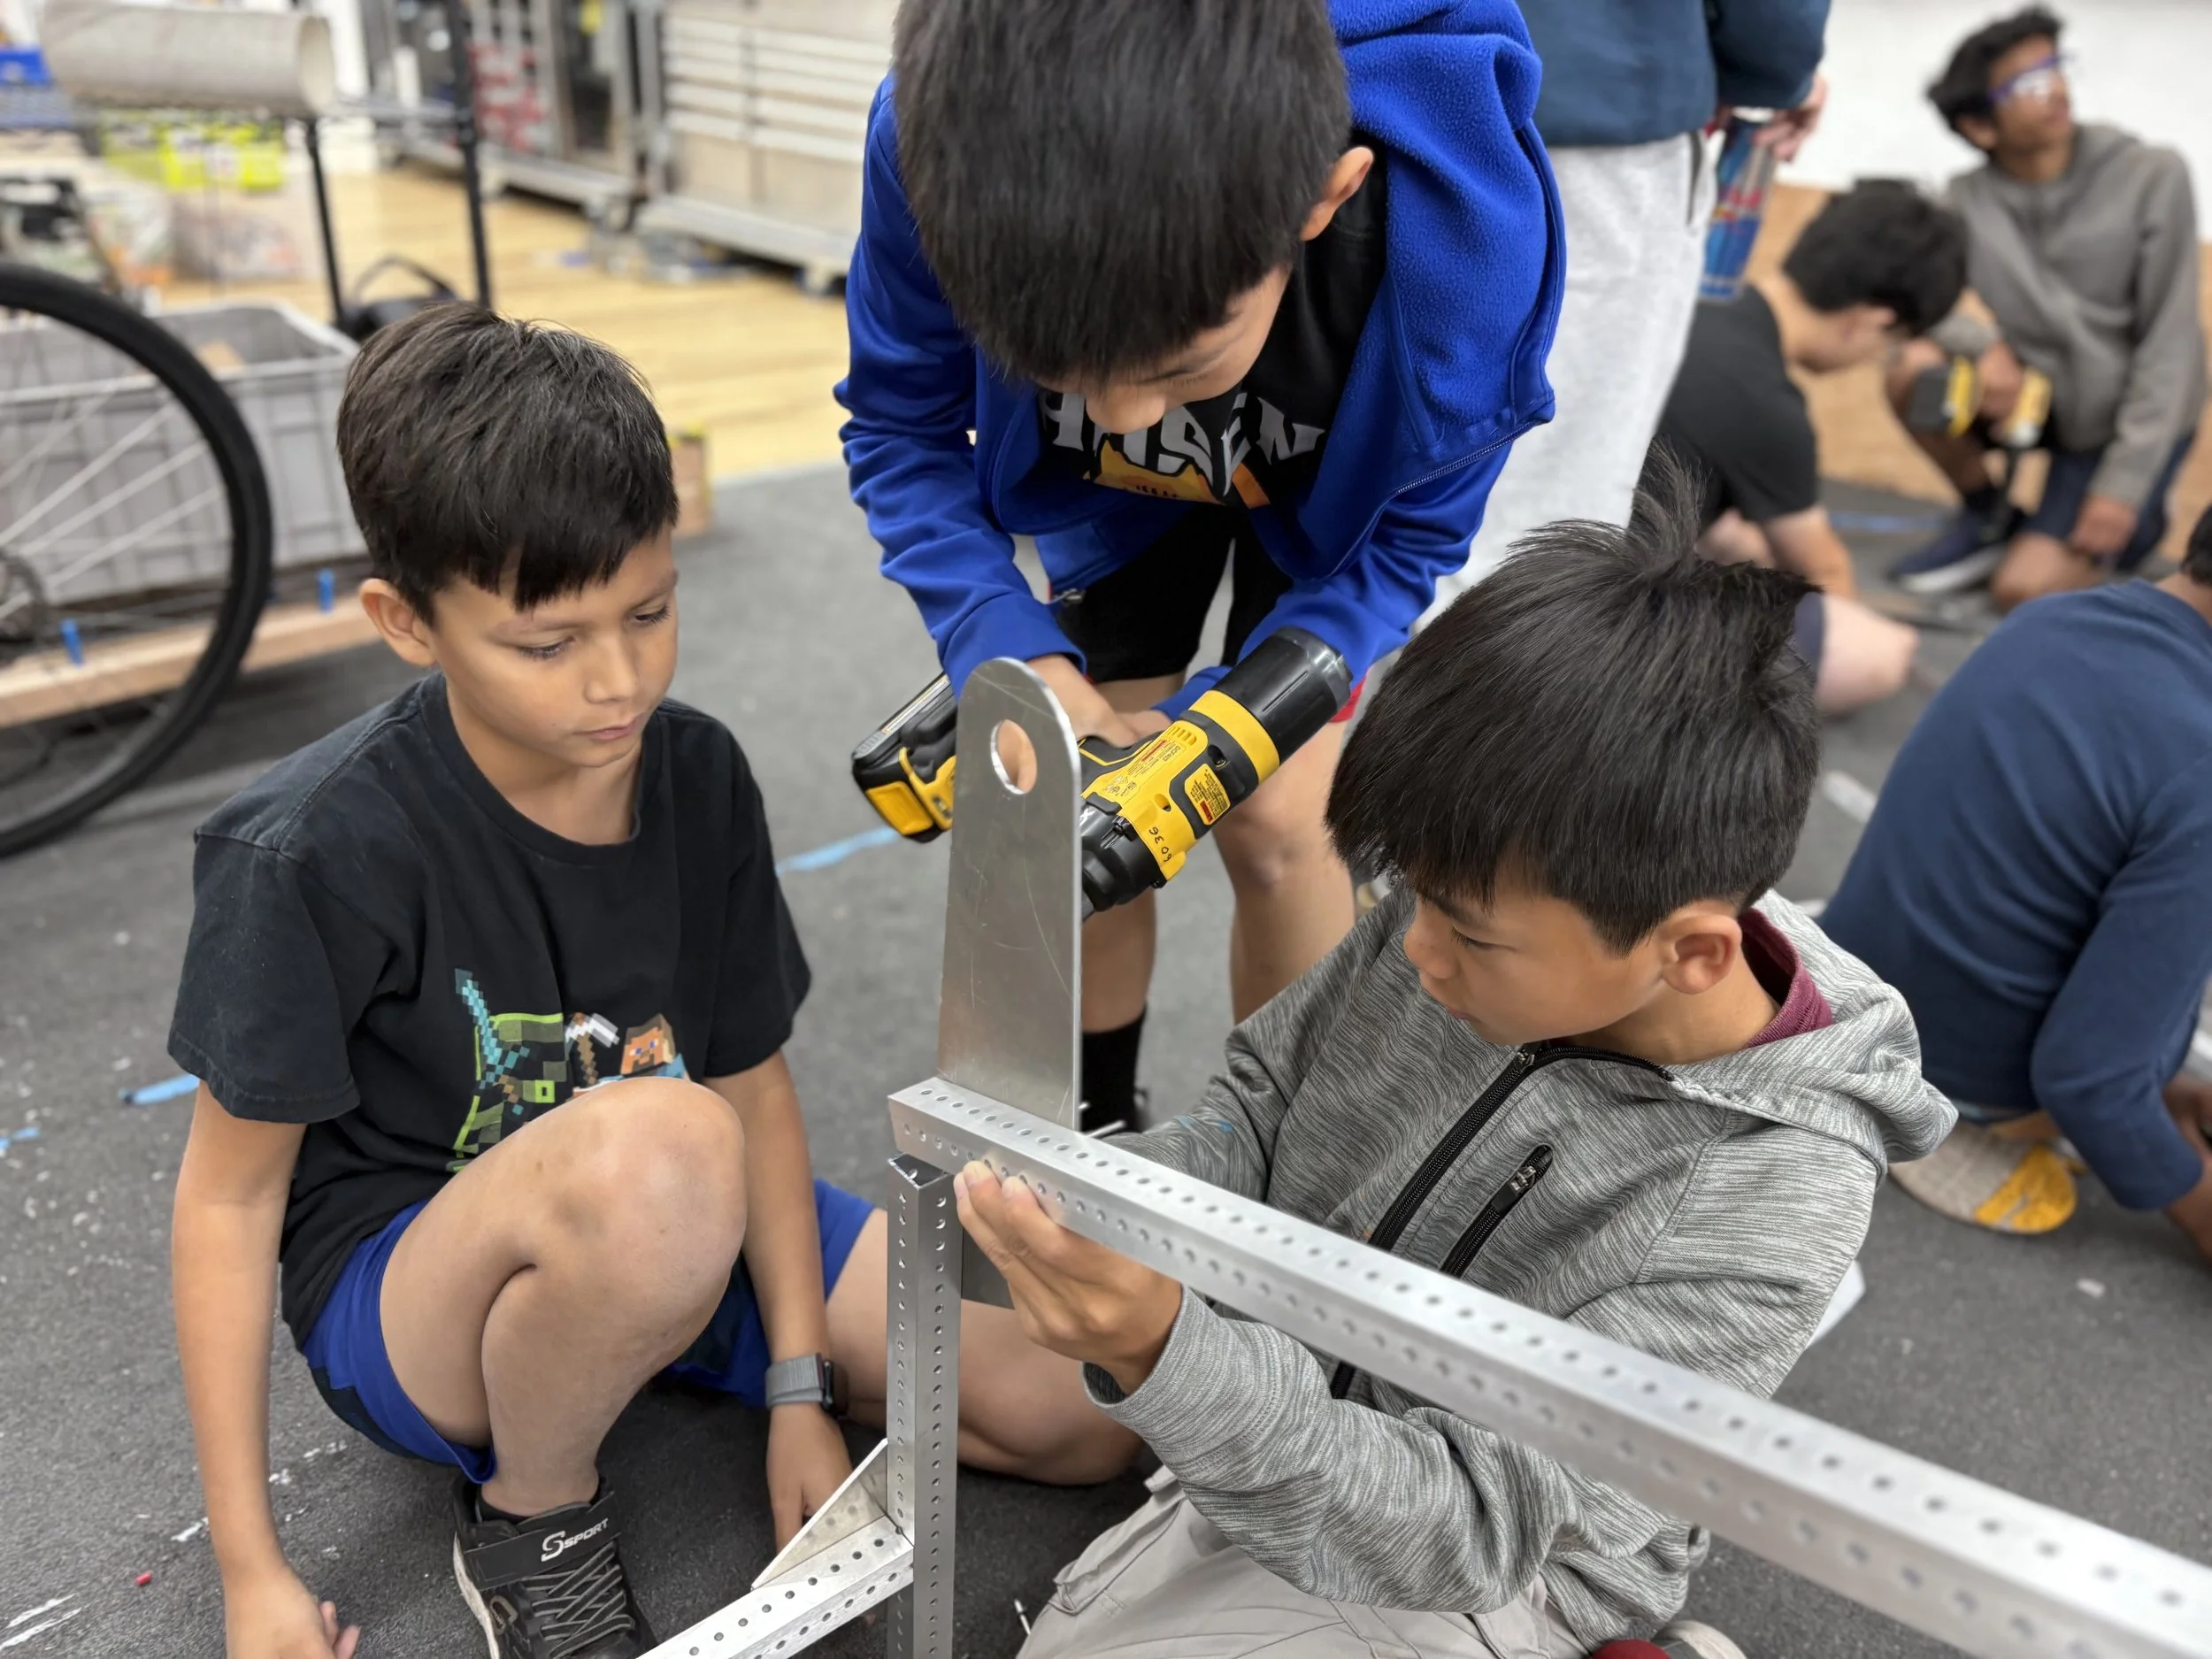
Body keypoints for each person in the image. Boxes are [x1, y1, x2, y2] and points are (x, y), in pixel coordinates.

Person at [166, 308, 1133, 1659]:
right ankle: (532, 1511)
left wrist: (803, 1382)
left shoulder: (696, 772)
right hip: (417, 1291)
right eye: (547, 644)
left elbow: (750, 1071)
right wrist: (247, 1567)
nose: (618, 679)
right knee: (668, 1146)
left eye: (649, 609)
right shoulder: (309, 846)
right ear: (404, 622)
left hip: (671, 1215)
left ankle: (648, 1333)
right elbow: (227, 1197)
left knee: (1080, 1415)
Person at [954, 474, 1954, 1659]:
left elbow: (1474, 1524)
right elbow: (1262, 1110)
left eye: (1467, 932)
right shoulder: (1498, 884)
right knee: (938, 1325)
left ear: (1689, 952)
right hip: (1289, 1389)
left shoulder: (1777, 1192)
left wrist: (1168, 1347)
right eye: (1409, 896)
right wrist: (1118, 1202)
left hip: (1497, 1561)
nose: (1411, 947)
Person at [837, 0, 1563, 1132]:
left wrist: (1242, 726)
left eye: (1180, 363)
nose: (1121, 415)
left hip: (1335, 504)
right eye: (1056, 370)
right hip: (1104, 515)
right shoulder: (930, 144)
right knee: (1063, 784)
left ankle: (1277, 1166)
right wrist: (996, 635)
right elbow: (899, 427)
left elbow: (1410, 542)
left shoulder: (1467, 227)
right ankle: (1084, 1122)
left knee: (1277, 821)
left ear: (1326, 194)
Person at [1821, 503, 2212, 1261]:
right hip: (1955, 1082)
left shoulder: (2055, 616)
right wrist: (2195, 1199)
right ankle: (1979, 1120)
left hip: (1854, 992)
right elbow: (2089, 1081)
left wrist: (2156, 1085)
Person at [1436, 0, 1831, 607]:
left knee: (1323, 484)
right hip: (1594, 117)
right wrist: (1776, 73)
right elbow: (1776, 34)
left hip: (1340, 88)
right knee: (1533, 532)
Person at [1886, 8, 2204, 605]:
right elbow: (1919, 304)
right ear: (1981, 127)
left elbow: (2172, 347)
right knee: (1912, 367)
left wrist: (2123, 488)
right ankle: (1988, 516)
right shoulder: (1964, 200)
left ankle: (2135, 522)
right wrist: (1986, 347)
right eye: (2029, 84)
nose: (2056, 89)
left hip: (2120, 425)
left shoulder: (2152, 175)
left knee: (2019, 591)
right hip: (2037, 401)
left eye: (2056, 68)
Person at [1648, 181, 1966, 713]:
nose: (1877, 357)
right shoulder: (1770, 406)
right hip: (1589, 608)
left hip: (1541, 535)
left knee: (1739, 538)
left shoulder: (1694, 300)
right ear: (1875, 319)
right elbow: (1826, 575)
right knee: (1879, 653)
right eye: (1889, 347)